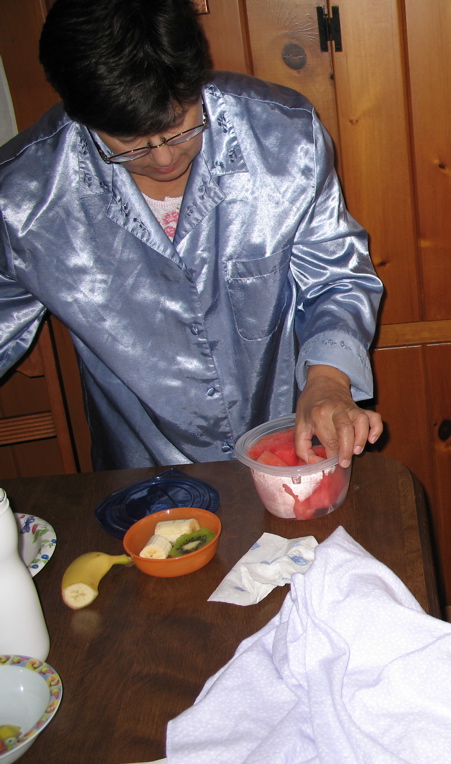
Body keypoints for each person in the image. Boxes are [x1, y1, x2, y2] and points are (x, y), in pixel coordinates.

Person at [0, 0, 383, 470]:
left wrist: (328, 381)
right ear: (82, 117)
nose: (163, 158)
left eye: (179, 123)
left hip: (287, 446)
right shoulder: (23, 199)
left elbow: (336, 279)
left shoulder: (282, 136)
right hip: (140, 466)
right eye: (129, 142)